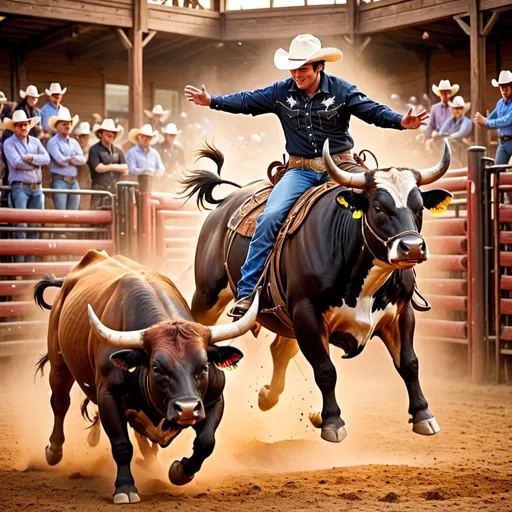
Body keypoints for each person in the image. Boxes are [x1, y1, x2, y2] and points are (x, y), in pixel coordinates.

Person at [185, 33, 428, 317]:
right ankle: (249, 290)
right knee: (270, 217)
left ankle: (402, 287)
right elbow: (247, 102)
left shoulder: (342, 91)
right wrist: (212, 100)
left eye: (303, 68)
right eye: (294, 68)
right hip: (299, 170)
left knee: (384, 204)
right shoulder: (280, 92)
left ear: (319, 67)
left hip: (342, 168)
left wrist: (400, 121)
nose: (297, 74)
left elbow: (372, 111)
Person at [2, 110, 50, 262]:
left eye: (25, 124)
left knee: (34, 229)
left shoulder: (35, 141)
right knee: (21, 228)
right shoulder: (9, 143)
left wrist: (30, 158)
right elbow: (16, 162)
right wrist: (37, 163)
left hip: (36, 187)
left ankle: (30, 269)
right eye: (20, 125)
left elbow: (47, 159)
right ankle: (19, 268)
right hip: (20, 187)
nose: (23, 128)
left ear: (30, 125)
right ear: (14, 127)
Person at [46, 111, 86, 210]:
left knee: (74, 214)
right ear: (57, 126)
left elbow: (83, 160)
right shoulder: (52, 142)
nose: (67, 126)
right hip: (59, 181)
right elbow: (60, 161)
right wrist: (73, 158)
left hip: (74, 181)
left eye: (69, 123)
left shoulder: (74, 142)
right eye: (64, 124)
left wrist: (68, 159)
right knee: (61, 213)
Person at [87, 119, 127, 209]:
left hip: (115, 190)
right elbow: (98, 168)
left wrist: (108, 167)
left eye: (112, 133)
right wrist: (116, 167)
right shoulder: (94, 150)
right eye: (108, 134)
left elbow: (125, 169)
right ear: (101, 134)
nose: (111, 136)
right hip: (99, 190)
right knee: (96, 216)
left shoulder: (118, 151)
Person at [474, 70, 512, 166]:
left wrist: (485, 122)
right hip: (503, 143)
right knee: (496, 170)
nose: (503, 91)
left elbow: (506, 121)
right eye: (501, 88)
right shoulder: (500, 103)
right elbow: (491, 117)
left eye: (506, 88)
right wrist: (482, 120)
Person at [419, 80, 459, 144]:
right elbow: (430, 125)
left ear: (449, 94)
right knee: (428, 143)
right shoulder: (434, 108)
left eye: (446, 93)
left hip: (449, 137)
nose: (444, 95)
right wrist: (427, 137)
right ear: (439, 94)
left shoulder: (454, 108)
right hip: (436, 137)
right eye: (442, 93)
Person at [156, 122, 185, 191]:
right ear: (166, 135)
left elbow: (182, 164)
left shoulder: (179, 148)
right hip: (162, 175)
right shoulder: (160, 148)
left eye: (174, 135)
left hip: (175, 174)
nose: (172, 137)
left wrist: (179, 172)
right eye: (170, 135)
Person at [74, 121, 92, 209]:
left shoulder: (91, 149)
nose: (83, 139)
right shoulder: (74, 147)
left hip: (86, 182)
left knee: (84, 206)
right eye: (82, 136)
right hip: (75, 181)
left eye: (86, 137)